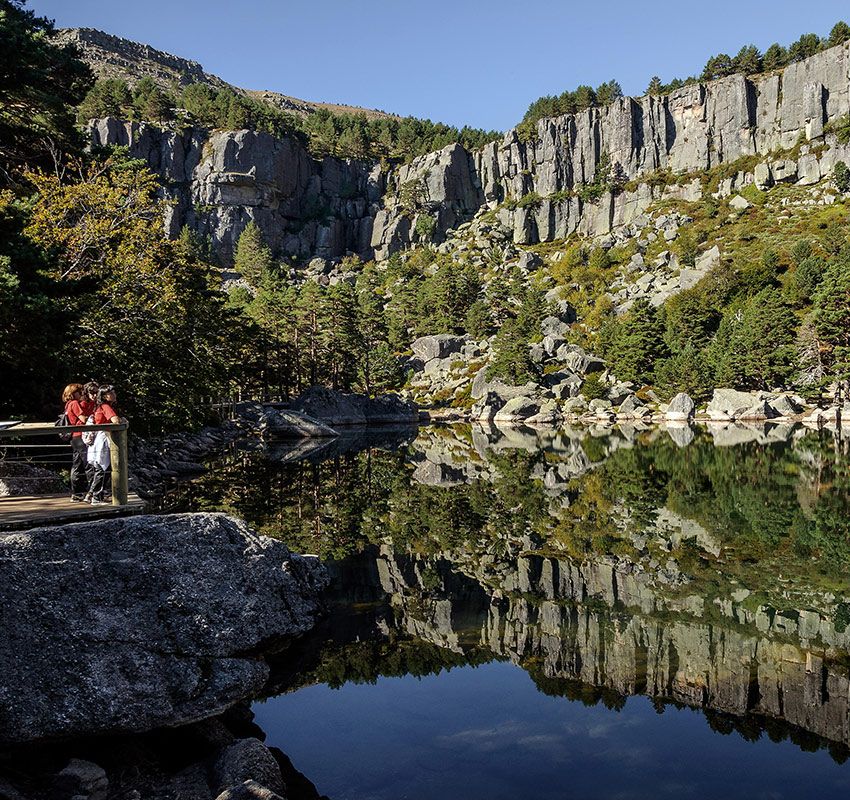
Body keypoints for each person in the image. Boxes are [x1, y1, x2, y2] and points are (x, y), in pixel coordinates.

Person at [85, 384, 123, 505]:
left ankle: (93, 495)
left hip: (99, 439)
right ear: (105, 396)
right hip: (103, 439)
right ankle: (96, 497)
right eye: (111, 393)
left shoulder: (99, 406)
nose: (114, 395)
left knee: (100, 467)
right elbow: (115, 420)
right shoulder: (105, 406)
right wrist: (122, 420)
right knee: (102, 467)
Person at [61, 383, 95, 502]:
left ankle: (76, 493)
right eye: (79, 392)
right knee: (88, 464)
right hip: (81, 436)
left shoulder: (67, 404)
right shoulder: (74, 403)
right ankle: (93, 493)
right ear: (73, 393)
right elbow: (83, 419)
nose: (81, 394)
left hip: (74, 438)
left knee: (77, 465)